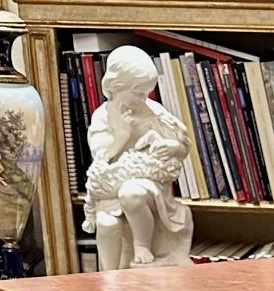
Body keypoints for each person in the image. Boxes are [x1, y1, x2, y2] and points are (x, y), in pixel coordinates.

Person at [83, 45, 193, 270]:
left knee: (131, 193)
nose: (144, 97)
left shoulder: (153, 111)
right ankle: (109, 278)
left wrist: (171, 147)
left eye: (146, 92)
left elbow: (183, 146)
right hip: (111, 183)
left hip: (148, 182)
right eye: (138, 92)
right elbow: (102, 157)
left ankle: (142, 245)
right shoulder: (103, 116)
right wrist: (124, 134)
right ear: (115, 86)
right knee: (106, 223)